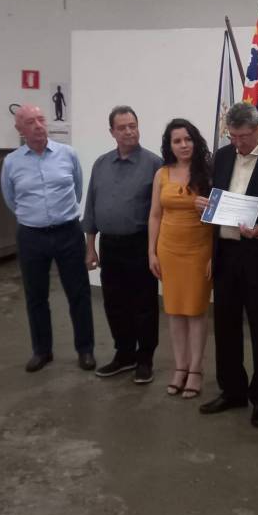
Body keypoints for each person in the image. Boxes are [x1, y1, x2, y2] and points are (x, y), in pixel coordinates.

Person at [197, 102, 258, 428]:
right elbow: (221, 200)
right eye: (233, 136)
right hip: (226, 253)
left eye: (243, 136)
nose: (238, 143)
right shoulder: (223, 156)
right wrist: (208, 206)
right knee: (225, 326)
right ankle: (232, 390)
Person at [0, 104, 95, 373]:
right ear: (20, 129)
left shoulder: (67, 154)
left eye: (41, 119)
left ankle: (85, 349)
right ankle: (42, 351)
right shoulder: (11, 162)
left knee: (78, 293)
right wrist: (35, 217)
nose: (39, 126)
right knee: (36, 296)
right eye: (30, 122)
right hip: (31, 236)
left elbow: (77, 189)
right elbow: (11, 199)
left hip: (68, 232)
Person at [82, 106, 162, 384]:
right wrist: (90, 247)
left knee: (144, 304)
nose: (129, 131)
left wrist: (154, 251)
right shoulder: (101, 164)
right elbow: (91, 207)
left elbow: (160, 212)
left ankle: (145, 358)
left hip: (140, 244)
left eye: (133, 126)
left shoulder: (154, 164)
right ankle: (124, 354)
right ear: (112, 132)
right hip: (110, 245)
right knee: (114, 303)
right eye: (122, 127)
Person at [148, 119, 213, 399]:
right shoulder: (161, 174)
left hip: (200, 250)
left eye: (188, 139)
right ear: (170, 145)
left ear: (195, 141)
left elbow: (222, 216)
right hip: (169, 250)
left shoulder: (208, 172)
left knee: (196, 311)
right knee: (174, 310)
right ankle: (180, 367)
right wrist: (151, 251)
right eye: (177, 141)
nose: (184, 145)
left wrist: (214, 254)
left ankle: (196, 370)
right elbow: (155, 215)